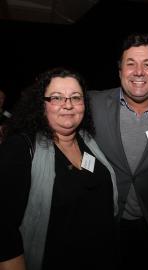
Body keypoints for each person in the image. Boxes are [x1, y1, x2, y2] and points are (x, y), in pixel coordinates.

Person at [0, 67, 118, 270]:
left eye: (75, 97)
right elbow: (3, 227)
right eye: (56, 98)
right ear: (41, 104)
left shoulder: (88, 142)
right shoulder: (20, 148)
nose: (68, 105)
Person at [89, 33, 148, 270]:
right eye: (131, 64)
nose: (139, 71)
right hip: (102, 222)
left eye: (147, 64)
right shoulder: (92, 104)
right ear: (120, 70)